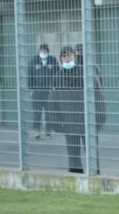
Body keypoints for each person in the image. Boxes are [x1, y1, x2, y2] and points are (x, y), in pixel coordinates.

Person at [51, 45, 105, 174]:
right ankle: (75, 177)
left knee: (91, 150)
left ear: (74, 56)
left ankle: (94, 174)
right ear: (60, 59)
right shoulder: (57, 77)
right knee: (73, 154)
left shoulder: (86, 74)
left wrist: (99, 118)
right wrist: (56, 122)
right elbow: (53, 101)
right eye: (64, 56)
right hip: (69, 121)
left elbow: (98, 96)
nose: (67, 58)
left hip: (87, 119)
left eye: (69, 55)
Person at [28, 43, 59, 139]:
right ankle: (37, 130)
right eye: (42, 51)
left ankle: (48, 131)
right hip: (37, 90)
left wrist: (55, 87)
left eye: (45, 51)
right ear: (39, 51)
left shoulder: (52, 60)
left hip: (49, 91)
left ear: (48, 51)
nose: (43, 53)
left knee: (49, 112)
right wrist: (31, 88)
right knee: (37, 112)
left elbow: (57, 73)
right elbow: (30, 74)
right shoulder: (34, 60)